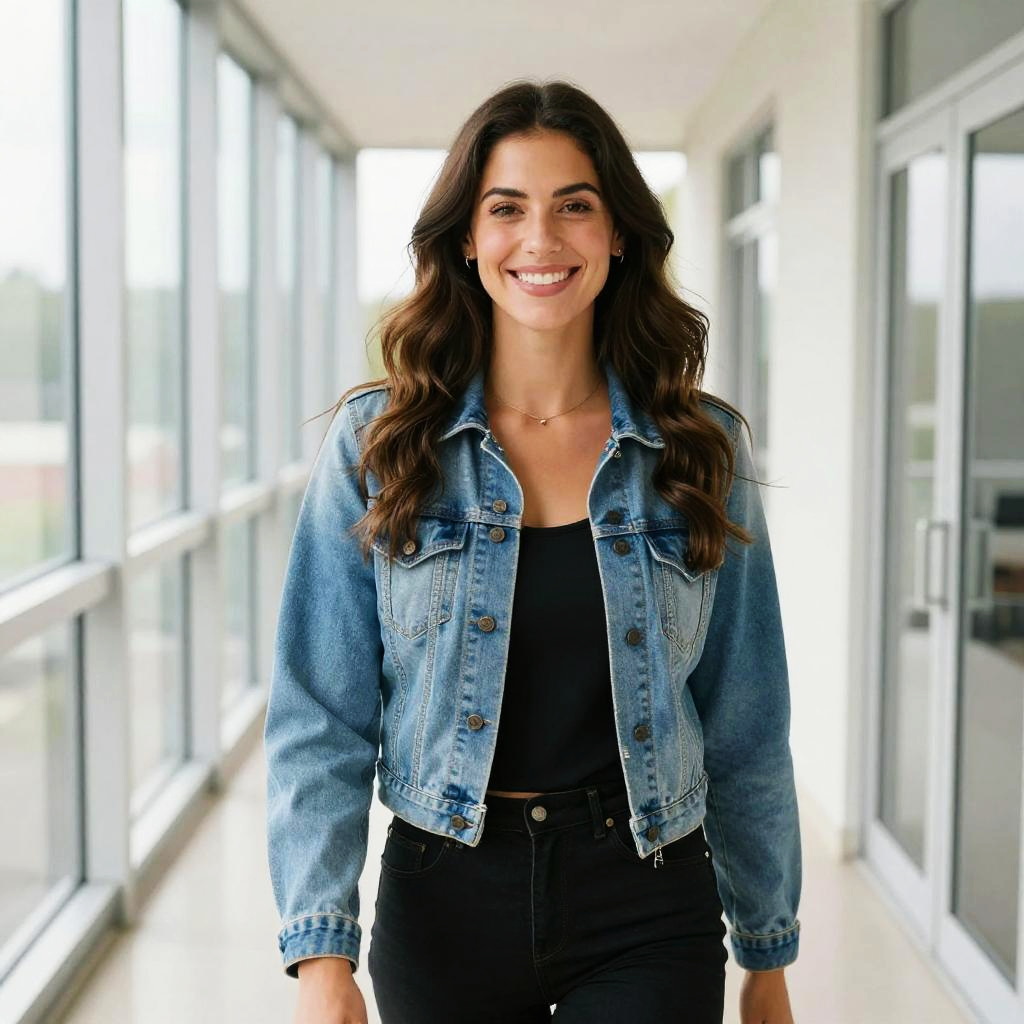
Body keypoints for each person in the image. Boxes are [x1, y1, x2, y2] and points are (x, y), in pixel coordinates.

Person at [264, 79, 801, 1024]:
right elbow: (320, 713)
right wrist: (321, 953)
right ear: (467, 238)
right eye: (507, 208)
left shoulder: (697, 447)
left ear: (620, 233)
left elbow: (745, 720)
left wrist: (767, 954)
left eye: (575, 207)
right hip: (446, 892)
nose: (541, 240)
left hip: (648, 890)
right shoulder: (377, 444)